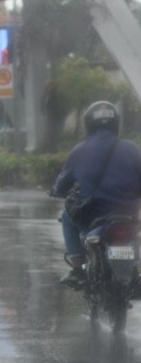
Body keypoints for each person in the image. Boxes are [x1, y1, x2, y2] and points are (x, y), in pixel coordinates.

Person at [51, 101, 141, 285]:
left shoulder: (80, 150)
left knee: (67, 218)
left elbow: (62, 184)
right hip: (127, 213)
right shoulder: (132, 148)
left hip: (93, 215)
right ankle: (134, 270)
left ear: (88, 125)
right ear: (116, 123)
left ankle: (77, 269)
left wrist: (56, 191)